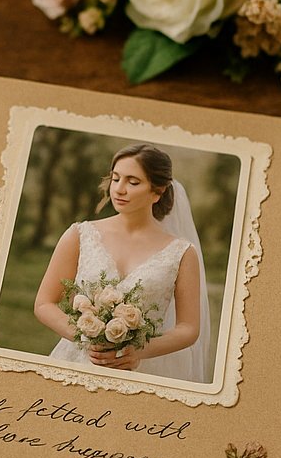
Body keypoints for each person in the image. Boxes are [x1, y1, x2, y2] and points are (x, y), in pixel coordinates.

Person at [34, 143, 213, 384]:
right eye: (116, 179)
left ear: (158, 191)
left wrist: (138, 351)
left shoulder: (182, 252)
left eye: (133, 182)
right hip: (76, 362)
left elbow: (188, 328)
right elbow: (44, 303)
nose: (119, 189)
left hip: (142, 371)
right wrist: (85, 338)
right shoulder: (80, 234)